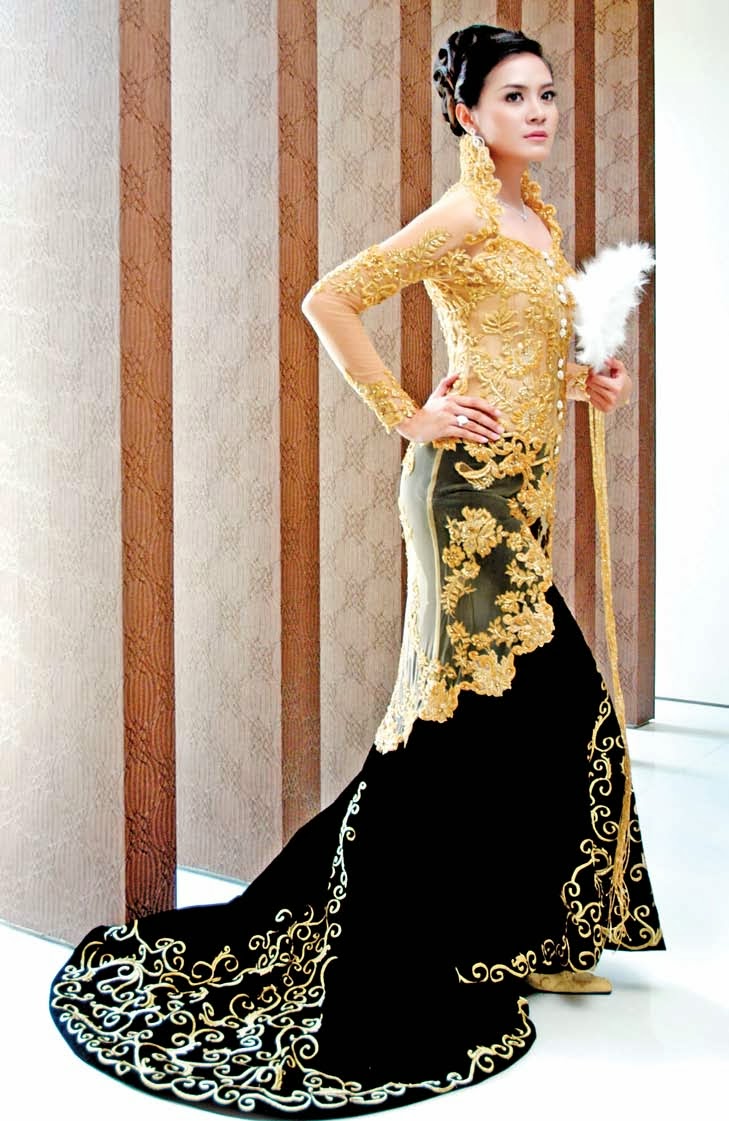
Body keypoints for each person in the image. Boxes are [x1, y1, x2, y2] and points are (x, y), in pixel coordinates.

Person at [49, 23, 664, 1117]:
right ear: (465, 113)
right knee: (472, 707)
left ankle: (529, 927)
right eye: (512, 97)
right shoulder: (465, 211)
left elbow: (520, 359)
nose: (537, 112)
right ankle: (429, 930)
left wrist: (587, 388)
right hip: (463, 497)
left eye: (545, 94)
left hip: (520, 491)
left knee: (532, 701)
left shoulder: (535, 216)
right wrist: (407, 413)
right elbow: (330, 296)